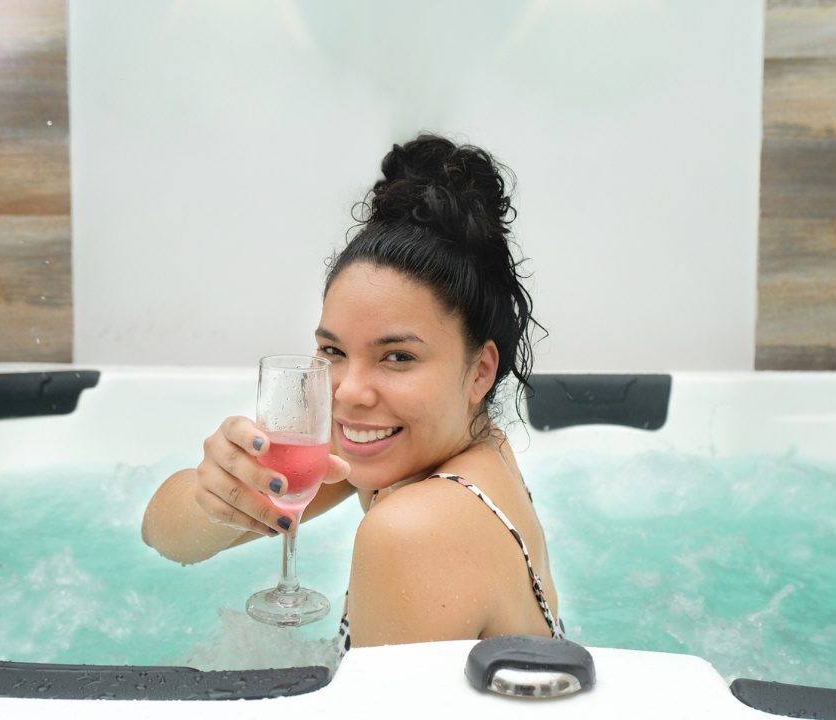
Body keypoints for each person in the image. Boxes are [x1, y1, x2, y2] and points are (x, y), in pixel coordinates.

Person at [141, 134, 562, 650]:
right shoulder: (444, 443)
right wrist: (217, 491)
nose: (350, 392)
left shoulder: (417, 528)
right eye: (334, 352)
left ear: (480, 372)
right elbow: (163, 537)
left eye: (398, 357)